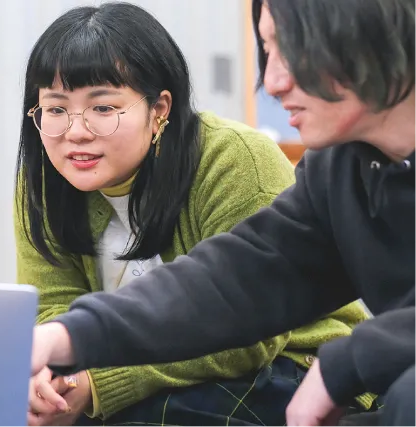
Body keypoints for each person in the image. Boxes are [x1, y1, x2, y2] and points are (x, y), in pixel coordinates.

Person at [29, 0, 416, 426]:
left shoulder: (235, 157)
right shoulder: (340, 168)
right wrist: (67, 337)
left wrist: (347, 361)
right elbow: (240, 277)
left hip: (290, 371)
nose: (272, 83)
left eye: (291, 48)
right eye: (267, 51)